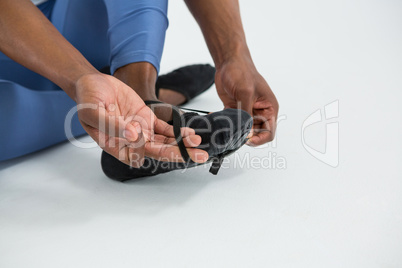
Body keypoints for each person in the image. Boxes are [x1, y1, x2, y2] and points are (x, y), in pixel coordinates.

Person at [0, 0, 279, 173]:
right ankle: (136, 111)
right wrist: (79, 79)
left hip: (45, 30)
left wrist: (234, 57)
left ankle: (140, 96)